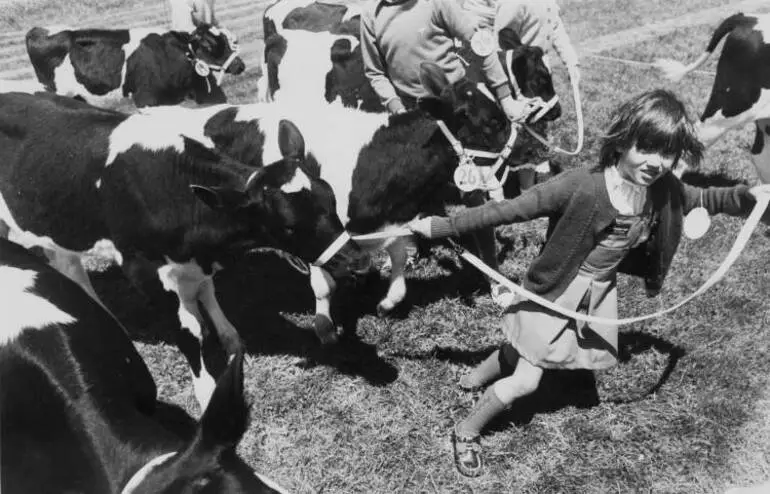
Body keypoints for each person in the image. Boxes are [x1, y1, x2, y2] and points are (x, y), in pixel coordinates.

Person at [408, 89, 770, 477]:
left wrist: (747, 197)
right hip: (556, 291)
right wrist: (441, 226)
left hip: (595, 294)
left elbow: (704, 198)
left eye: (666, 153)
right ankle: (466, 431)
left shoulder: (663, 189)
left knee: (529, 349)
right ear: (621, 140)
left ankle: (474, 377)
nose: (655, 162)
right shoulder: (580, 184)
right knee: (527, 380)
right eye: (645, 147)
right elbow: (506, 210)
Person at [360, 0, 534, 119]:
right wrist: (396, 108)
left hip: (461, 102)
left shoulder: (436, 2)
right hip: (416, 113)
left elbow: (479, 41)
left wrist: (505, 97)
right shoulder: (371, 14)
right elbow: (375, 73)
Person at [463, 0, 580, 86]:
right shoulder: (513, 5)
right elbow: (503, 45)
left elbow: (554, 22)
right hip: (512, 68)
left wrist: (571, 62)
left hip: (534, 64)